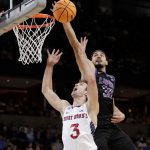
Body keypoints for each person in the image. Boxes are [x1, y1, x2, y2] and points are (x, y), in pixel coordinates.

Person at [59, 21, 136, 150]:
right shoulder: (88, 71)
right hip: (96, 124)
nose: (98, 56)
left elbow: (108, 99)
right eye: (95, 55)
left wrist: (119, 113)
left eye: (101, 55)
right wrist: (66, 22)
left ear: (106, 61)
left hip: (111, 126)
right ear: (91, 60)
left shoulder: (111, 78)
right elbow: (75, 45)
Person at [42, 40, 99, 150]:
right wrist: (49, 66)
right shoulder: (65, 108)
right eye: (77, 83)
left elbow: (92, 80)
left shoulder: (90, 107)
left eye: (81, 84)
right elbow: (46, 90)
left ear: (86, 92)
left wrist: (82, 56)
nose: (76, 84)